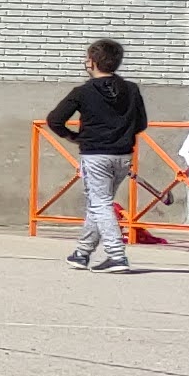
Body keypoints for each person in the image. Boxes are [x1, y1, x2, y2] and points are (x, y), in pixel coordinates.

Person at [47, 38, 149, 270]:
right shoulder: (131, 89)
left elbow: (55, 120)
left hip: (95, 155)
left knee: (100, 203)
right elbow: (141, 123)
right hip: (123, 155)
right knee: (99, 202)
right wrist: (122, 134)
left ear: (92, 62)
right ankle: (82, 253)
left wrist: (73, 137)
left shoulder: (83, 91)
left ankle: (116, 255)